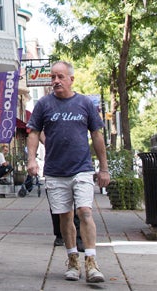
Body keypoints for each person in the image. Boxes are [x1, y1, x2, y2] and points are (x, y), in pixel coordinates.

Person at [27, 60, 110, 284]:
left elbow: (97, 136)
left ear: (71, 79)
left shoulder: (84, 103)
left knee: (84, 212)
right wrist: (32, 160)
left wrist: (104, 168)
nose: (55, 81)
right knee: (64, 216)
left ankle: (91, 262)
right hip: (55, 171)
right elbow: (33, 133)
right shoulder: (44, 104)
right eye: (53, 77)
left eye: (60, 77)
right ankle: (73, 259)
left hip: (81, 169)